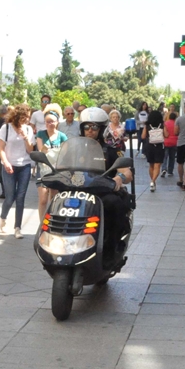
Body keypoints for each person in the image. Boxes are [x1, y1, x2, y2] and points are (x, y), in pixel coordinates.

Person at [79, 107, 134, 259]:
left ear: (101, 129)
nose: (90, 130)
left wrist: (119, 178)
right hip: (78, 191)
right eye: (86, 126)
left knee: (114, 203)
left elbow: (127, 172)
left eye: (94, 127)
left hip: (101, 193)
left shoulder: (111, 149)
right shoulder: (76, 149)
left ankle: (111, 248)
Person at [0, 104, 35, 239]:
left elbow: (30, 150)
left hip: (24, 166)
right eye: (26, 117)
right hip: (9, 166)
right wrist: (5, 162)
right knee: (10, 197)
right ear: (19, 116)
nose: (28, 120)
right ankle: (3, 217)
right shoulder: (6, 128)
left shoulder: (28, 130)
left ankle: (17, 227)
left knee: (20, 197)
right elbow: (1, 148)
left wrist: (25, 137)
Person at [35, 110, 67, 216]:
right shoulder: (41, 134)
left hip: (56, 169)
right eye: (47, 121)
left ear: (57, 122)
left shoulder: (62, 136)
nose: (50, 124)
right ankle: (41, 225)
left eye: (52, 121)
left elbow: (65, 153)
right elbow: (41, 151)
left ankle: (51, 221)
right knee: (43, 199)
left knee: (53, 199)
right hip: (43, 168)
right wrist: (47, 145)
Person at [141, 109, 165, 192]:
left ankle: (152, 182)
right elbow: (166, 134)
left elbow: (143, 136)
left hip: (149, 146)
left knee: (151, 165)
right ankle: (153, 181)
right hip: (159, 147)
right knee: (157, 165)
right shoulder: (162, 125)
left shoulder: (147, 126)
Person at [163, 112, 178, 178]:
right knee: (172, 158)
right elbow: (177, 132)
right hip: (174, 142)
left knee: (165, 157)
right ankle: (170, 171)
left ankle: (163, 169)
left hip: (166, 142)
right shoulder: (177, 124)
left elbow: (165, 134)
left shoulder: (165, 123)